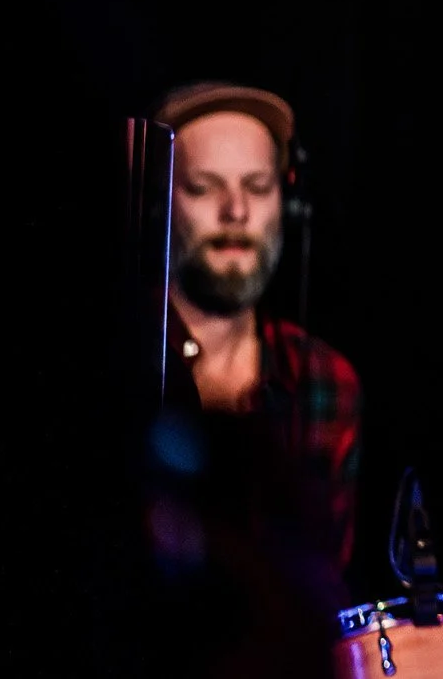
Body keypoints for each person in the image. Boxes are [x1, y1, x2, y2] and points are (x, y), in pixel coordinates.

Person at [155, 81, 362, 573]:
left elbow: (321, 593)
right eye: (204, 187)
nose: (236, 211)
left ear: (286, 203)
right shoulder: (118, 353)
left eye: (257, 186)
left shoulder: (324, 379)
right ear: (158, 197)